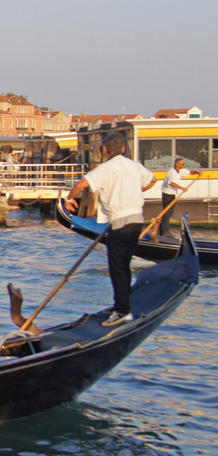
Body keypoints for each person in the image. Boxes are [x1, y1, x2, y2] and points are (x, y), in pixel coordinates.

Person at [65, 132, 157, 326]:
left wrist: (69, 199)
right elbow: (153, 180)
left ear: (105, 150)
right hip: (136, 220)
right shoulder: (134, 166)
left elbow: (81, 185)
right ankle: (123, 303)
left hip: (120, 222)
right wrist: (134, 192)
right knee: (124, 265)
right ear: (123, 149)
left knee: (117, 267)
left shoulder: (105, 168)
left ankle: (122, 310)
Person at [160, 158, 201, 237]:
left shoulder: (180, 170)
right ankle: (164, 232)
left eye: (184, 164)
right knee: (167, 213)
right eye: (182, 164)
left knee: (169, 213)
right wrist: (182, 188)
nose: (184, 165)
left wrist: (197, 172)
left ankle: (162, 231)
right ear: (177, 164)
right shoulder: (172, 172)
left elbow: (189, 172)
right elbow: (171, 183)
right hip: (167, 194)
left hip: (173, 193)